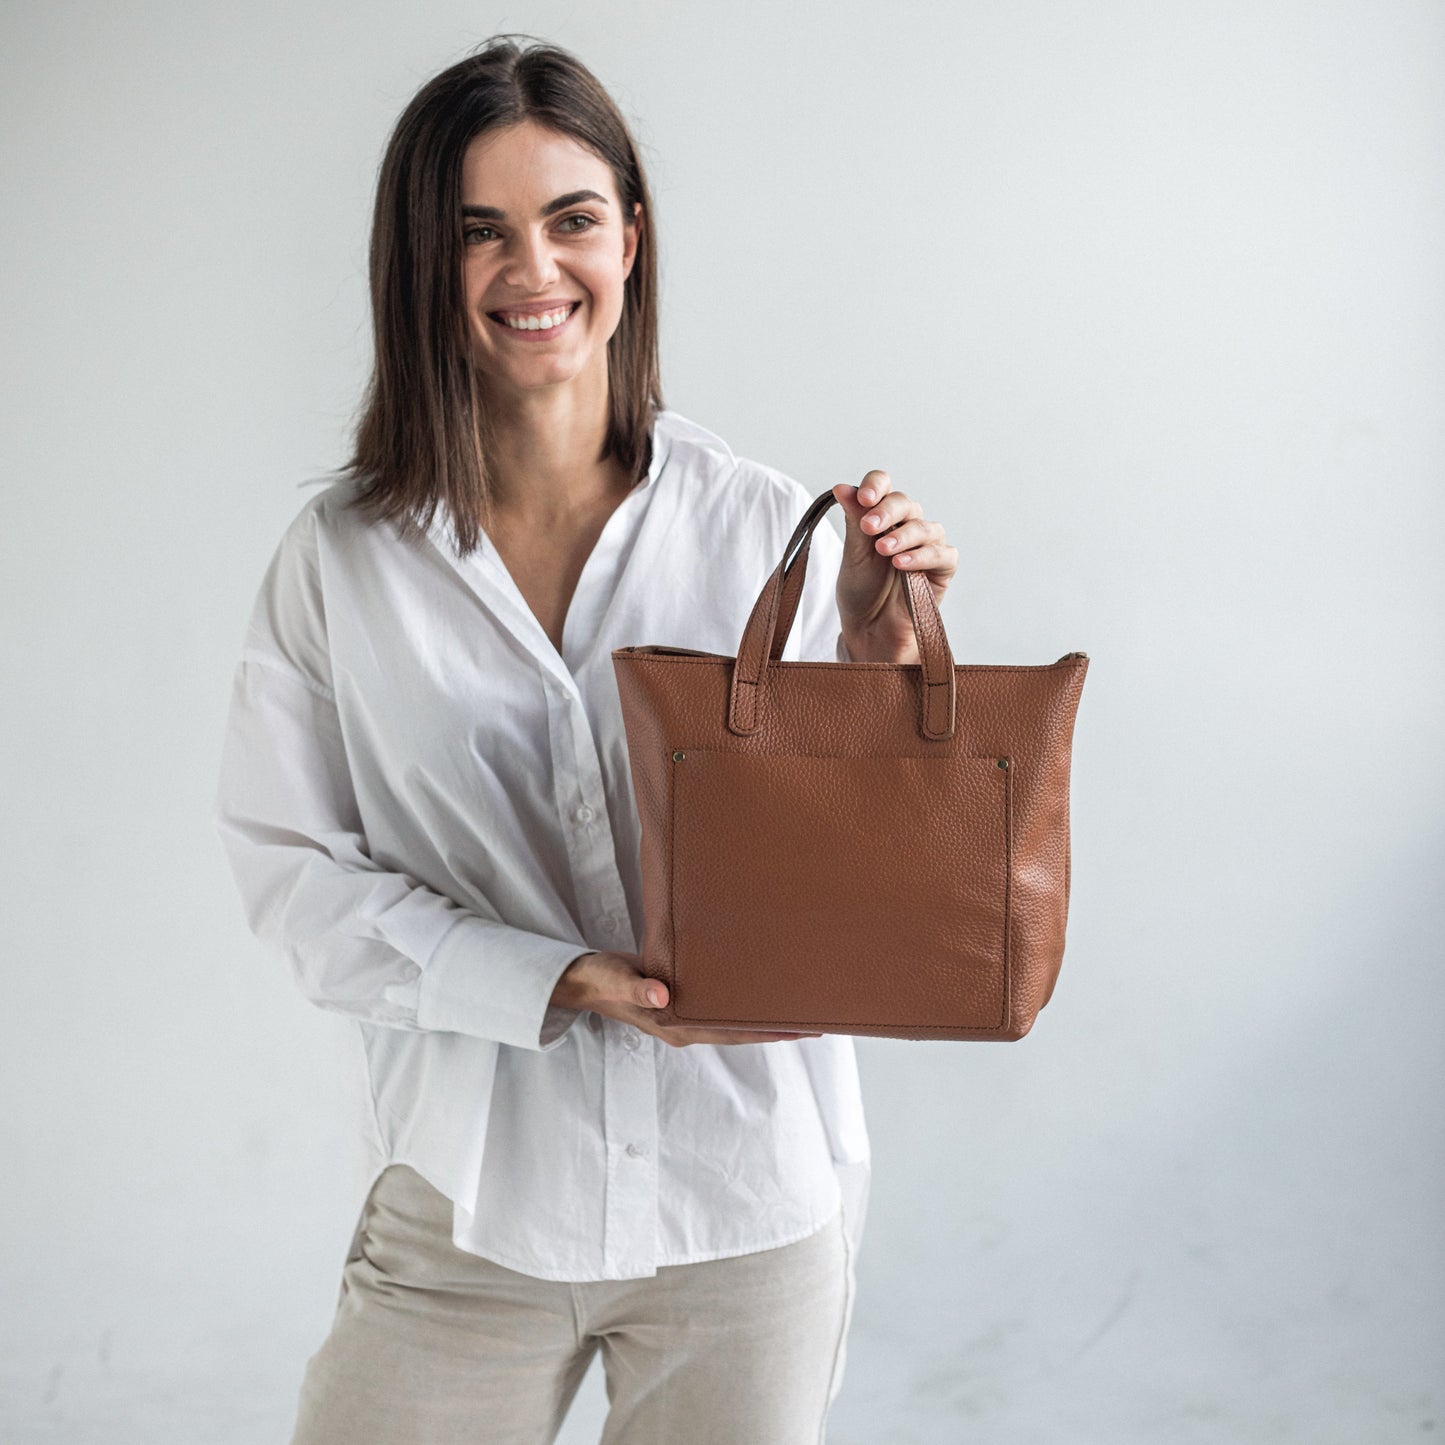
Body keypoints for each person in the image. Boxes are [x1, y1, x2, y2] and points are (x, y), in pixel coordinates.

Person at [213, 33, 958, 1445]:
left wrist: (880, 650)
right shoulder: (340, 561)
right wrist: (546, 978)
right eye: (478, 233)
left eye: (570, 220)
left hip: (742, 1208)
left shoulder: (758, 531)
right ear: (421, 265)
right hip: (469, 1205)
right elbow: (293, 880)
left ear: (632, 235)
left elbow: (878, 869)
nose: (531, 271)